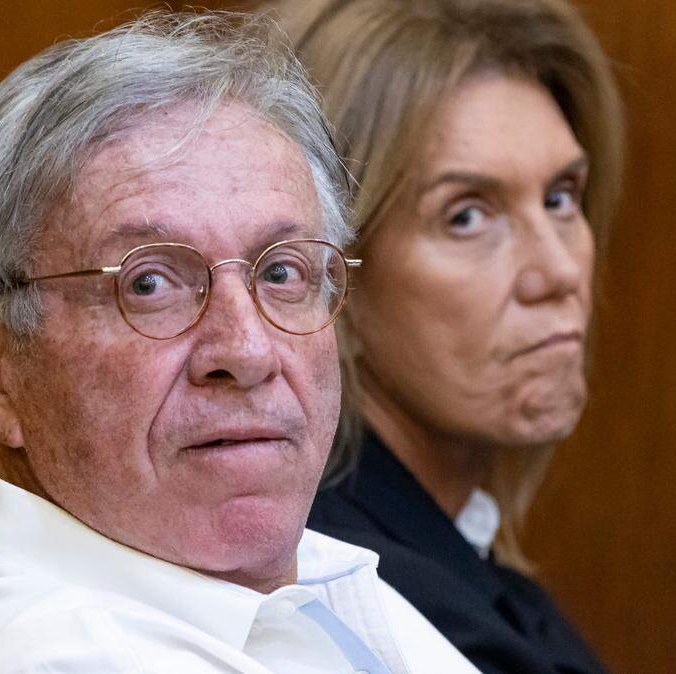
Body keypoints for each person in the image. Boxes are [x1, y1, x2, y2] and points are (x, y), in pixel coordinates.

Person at [0, 11, 479, 674]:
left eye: (281, 271)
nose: (246, 351)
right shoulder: (60, 658)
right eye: (149, 283)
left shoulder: (303, 578)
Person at [272, 1, 625, 672]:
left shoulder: (451, 555)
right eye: (466, 216)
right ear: (327, 277)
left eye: (560, 198)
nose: (557, 271)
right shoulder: (369, 603)